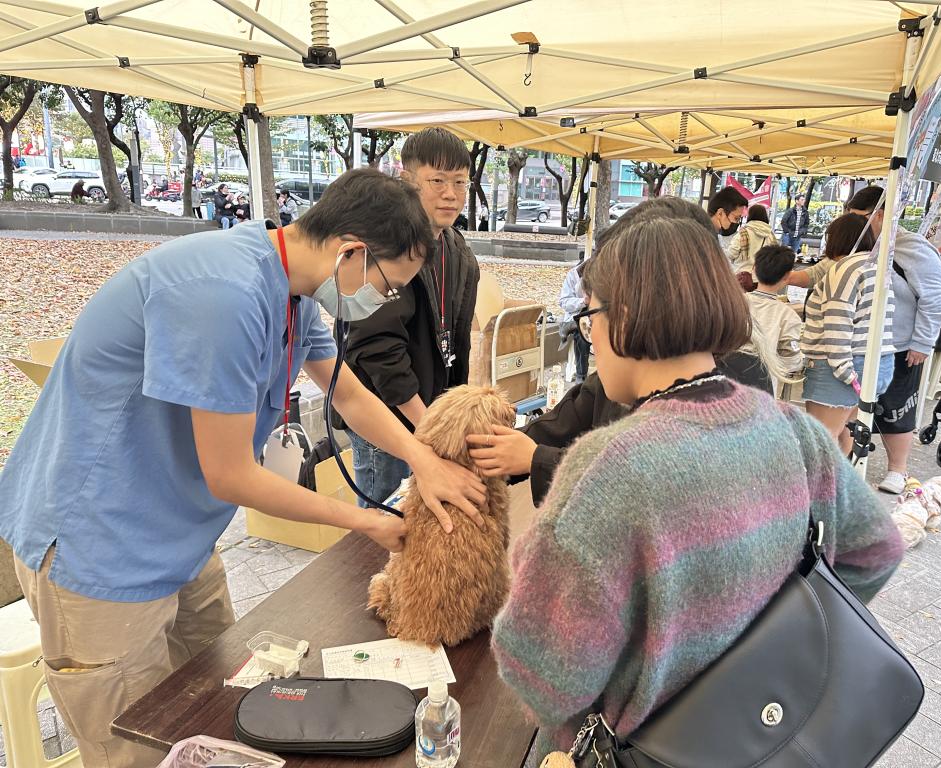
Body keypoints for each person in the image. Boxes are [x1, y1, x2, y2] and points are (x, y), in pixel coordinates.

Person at [0, 168, 486, 768]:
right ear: (351, 252)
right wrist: (366, 522)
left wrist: (423, 458)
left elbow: (347, 393)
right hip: (100, 544)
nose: (382, 302)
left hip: (180, 531)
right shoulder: (222, 294)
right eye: (388, 287)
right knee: (137, 742)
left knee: (221, 700)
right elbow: (231, 475)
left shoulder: (293, 291)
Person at [490, 216, 903, 765]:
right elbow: (877, 551)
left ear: (624, 317)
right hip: (773, 746)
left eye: (590, 316)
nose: (591, 336)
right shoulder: (795, 431)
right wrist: (772, 652)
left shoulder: (608, 470)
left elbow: (541, 676)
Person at [466, 197, 764, 509]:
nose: (592, 334)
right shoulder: (771, 418)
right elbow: (556, 427)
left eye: (592, 317)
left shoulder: (718, 405)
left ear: (629, 313)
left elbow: (634, 486)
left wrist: (536, 459)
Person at [343, 127, 480, 505]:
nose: (451, 193)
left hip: (430, 416)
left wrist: (447, 421)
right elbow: (376, 350)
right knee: (385, 517)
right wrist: (428, 427)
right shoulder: (385, 246)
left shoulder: (457, 248)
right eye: (437, 180)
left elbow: (457, 342)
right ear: (406, 180)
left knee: (425, 515)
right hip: (385, 420)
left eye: (460, 182)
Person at [839, 186, 941, 494]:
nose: (855, 224)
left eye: (860, 218)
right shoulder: (859, 245)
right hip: (858, 342)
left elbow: (934, 298)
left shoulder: (913, 248)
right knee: (850, 405)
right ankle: (845, 462)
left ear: (881, 215)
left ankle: (897, 470)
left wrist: (922, 343)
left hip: (900, 345)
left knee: (897, 408)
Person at [800, 213, 896, 453]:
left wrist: (844, 371)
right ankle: (842, 475)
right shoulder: (878, 266)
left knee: (820, 439)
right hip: (877, 363)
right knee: (845, 433)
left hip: (840, 366)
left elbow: (837, 323)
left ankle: (823, 479)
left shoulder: (844, 270)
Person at [741, 244, 803, 394]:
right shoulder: (787, 315)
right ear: (787, 276)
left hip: (725, 382)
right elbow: (791, 360)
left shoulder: (733, 302)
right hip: (763, 387)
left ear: (754, 269)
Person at [558, 259, 590, 384]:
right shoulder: (573, 275)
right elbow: (564, 302)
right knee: (581, 332)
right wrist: (583, 301)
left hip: (600, 314)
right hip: (580, 314)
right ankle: (581, 375)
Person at [728, 203, 777, 278]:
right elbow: (774, 256)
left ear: (750, 216)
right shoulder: (770, 235)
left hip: (742, 276)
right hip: (762, 277)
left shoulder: (742, 233)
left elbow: (731, 254)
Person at [706, 186, 748, 251]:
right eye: (736, 218)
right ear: (720, 213)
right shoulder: (701, 237)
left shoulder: (712, 235)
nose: (737, 223)